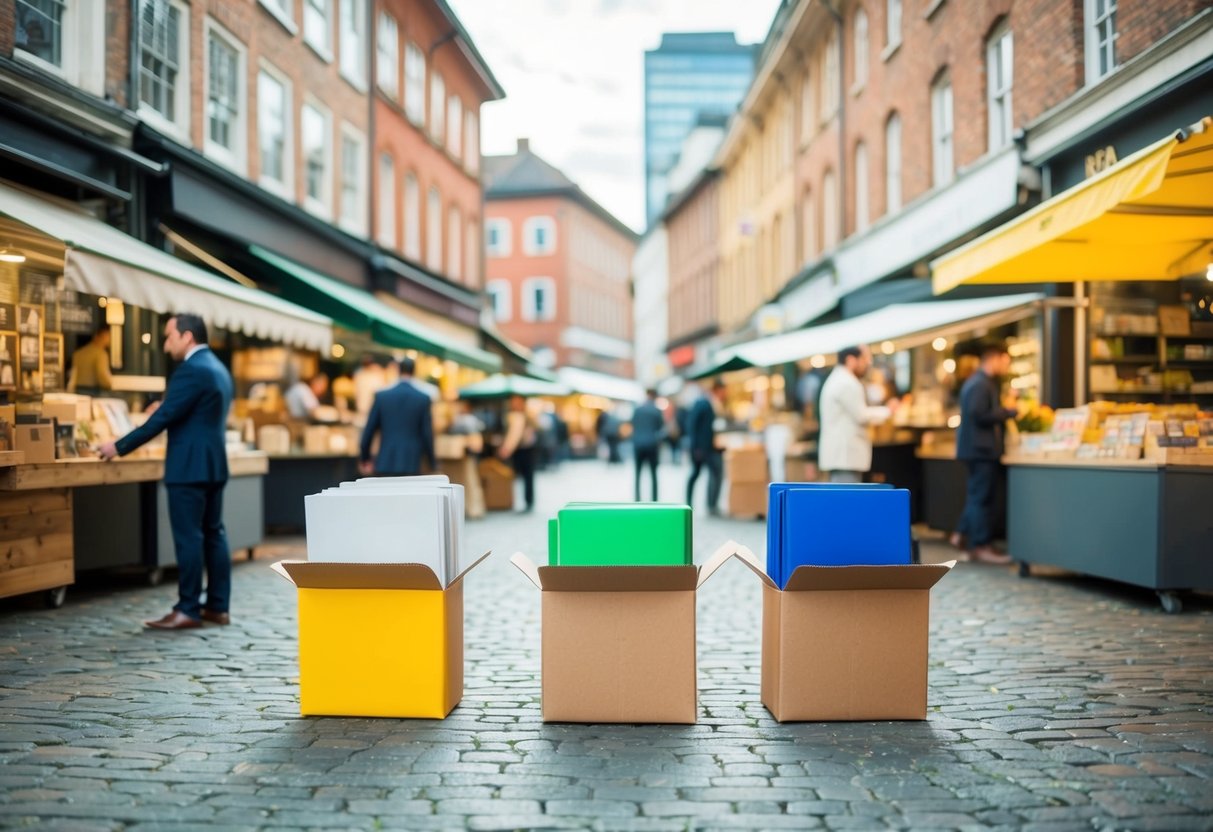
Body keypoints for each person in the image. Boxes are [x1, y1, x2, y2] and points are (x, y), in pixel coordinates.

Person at [98, 313, 234, 630]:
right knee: (214, 534)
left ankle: (187, 609)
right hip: (213, 465)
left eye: (169, 335)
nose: (165, 343)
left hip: (188, 468)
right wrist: (167, 407)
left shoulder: (190, 369)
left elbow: (163, 420)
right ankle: (217, 607)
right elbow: (191, 412)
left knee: (189, 538)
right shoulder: (217, 368)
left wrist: (118, 446)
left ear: (187, 337)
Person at [953, 343, 1018, 565]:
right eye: (1005, 361)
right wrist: (1007, 412)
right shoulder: (981, 384)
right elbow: (978, 414)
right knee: (981, 497)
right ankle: (980, 545)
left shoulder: (978, 382)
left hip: (976, 449)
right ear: (995, 358)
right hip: (980, 450)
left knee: (977, 495)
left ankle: (961, 534)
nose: (1006, 366)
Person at [818, 345, 893, 483]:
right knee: (846, 502)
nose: (868, 363)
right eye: (864, 359)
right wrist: (888, 411)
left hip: (842, 457)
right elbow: (861, 415)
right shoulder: (846, 382)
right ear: (851, 360)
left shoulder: (839, 379)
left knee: (843, 500)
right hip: (845, 457)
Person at [359, 356, 435, 476]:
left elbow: (369, 430)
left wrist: (365, 458)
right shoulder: (423, 398)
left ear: (398, 370)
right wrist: (432, 462)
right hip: (412, 462)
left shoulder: (381, 396)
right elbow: (427, 433)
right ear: (413, 371)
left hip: (385, 461)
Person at [686, 380, 726, 515]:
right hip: (701, 448)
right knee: (696, 474)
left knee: (714, 473)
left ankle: (711, 504)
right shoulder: (703, 403)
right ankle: (689, 502)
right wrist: (696, 447)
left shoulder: (712, 404)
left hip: (709, 447)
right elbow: (692, 425)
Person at [497, 394, 537, 512]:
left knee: (526, 476)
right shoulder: (524, 415)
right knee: (527, 476)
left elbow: (514, 435)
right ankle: (527, 501)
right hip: (524, 449)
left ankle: (527, 501)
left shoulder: (519, 416)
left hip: (524, 449)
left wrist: (506, 449)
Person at [631, 389, 665, 501]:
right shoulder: (656, 411)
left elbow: (633, 425)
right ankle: (654, 499)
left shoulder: (637, 410)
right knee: (653, 474)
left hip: (638, 444)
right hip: (652, 444)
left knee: (638, 473)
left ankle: (637, 498)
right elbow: (660, 428)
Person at [68, 327, 113, 396]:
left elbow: (73, 374)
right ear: (97, 337)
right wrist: (110, 385)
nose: (108, 340)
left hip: (78, 390)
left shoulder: (78, 353)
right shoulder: (101, 354)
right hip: (93, 392)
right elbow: (102, 374)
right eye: (107, 337)